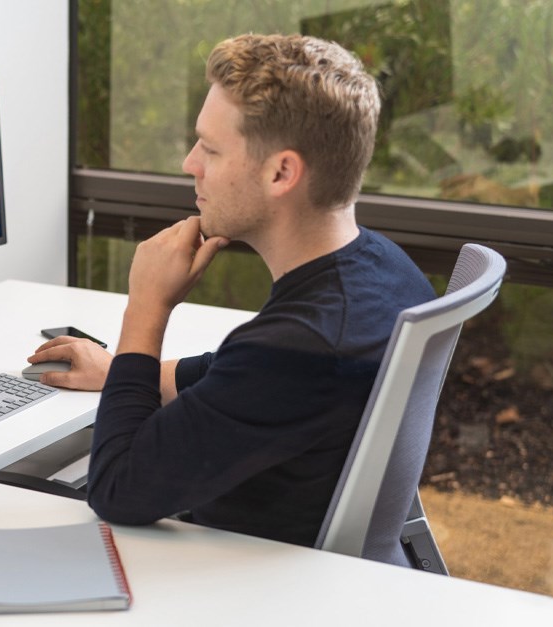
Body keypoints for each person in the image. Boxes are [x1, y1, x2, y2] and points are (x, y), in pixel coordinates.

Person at [27, 33, 436, 547]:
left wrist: (147, 308)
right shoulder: (390, 273)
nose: (190, 163)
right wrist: (122, 373)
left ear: (281, 172)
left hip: (235, 584)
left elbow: (116, 489)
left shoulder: (303, 345)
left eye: (211, 149)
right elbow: (237, 376)